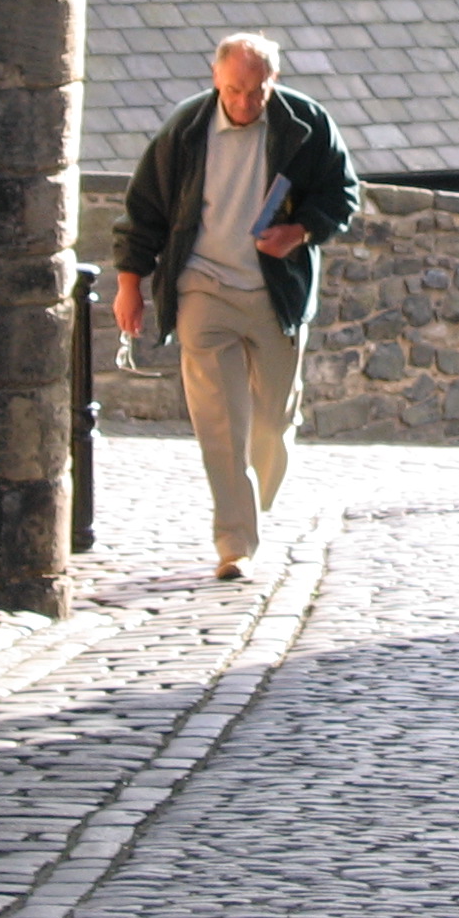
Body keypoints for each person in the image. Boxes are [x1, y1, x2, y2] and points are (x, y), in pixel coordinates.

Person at [110, 32, 360, 580]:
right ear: (215, 78)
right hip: (202, 285)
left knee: (271, 423)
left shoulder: (306, 124)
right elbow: (144, 207)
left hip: (276, 292)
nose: (244, 103)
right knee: (221, 425)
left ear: (274, 82)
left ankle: (251, 507)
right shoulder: (186, 128)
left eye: (256, 92)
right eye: (233, 90)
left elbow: (342, 195)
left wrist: (300, 231)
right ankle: (235, 544)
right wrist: (131, 283)